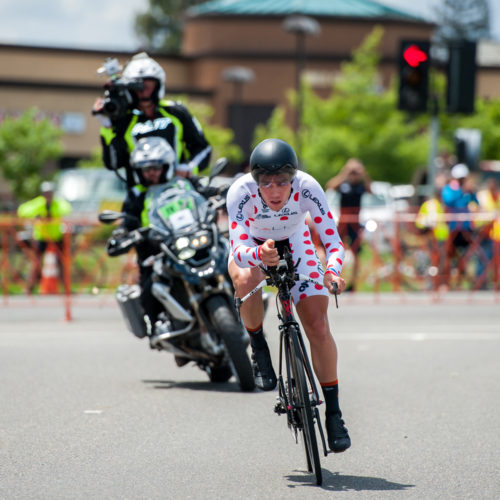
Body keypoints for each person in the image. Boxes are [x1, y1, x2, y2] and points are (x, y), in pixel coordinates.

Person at [226, 138, 351, 453]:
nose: (274, 190)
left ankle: (334, 413)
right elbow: (238, 251)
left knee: (319, 326)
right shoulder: (240, 193)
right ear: (255, 181)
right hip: (254, 247)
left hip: (294, 241)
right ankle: (258, 346)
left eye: (282, 181)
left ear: (293, 178)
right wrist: (258, 254)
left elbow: (334, 243)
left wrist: (332, 271)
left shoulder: (309, 187)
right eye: (265, 183)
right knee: (244, 279)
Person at [93, 52, 211, 187]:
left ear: (158, 85)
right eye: (138, 87)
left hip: (177, 191)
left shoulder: (176, 112)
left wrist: (189, 167)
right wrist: (107, 126)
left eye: (148, 87)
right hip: (139, 198)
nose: (143, 92)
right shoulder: (124, 120)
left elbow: (203, 148)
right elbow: (113, 163)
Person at [106, 136, 179, 332]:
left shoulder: (180, 185)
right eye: (146, 169)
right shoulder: (136, 194)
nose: (152, 173)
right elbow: (128, 221)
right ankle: (160, 327)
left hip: (184, 243)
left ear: (166, 166)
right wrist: (123, 234)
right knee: (148, 291)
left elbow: (200, 196)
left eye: (156, 167)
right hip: (153, 254)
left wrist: (219, 192)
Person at [17, 181, 72, 293]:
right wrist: (35, 215)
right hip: (42, 237)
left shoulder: (57, 203)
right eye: (46, 193)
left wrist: (53, 214)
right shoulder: (39, 203)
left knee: (62, 262)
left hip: (56, 237)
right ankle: (29, 287)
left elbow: (67, 209)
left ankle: (66, 288)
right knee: (37, 263)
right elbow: (22, 210)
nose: (48, 196)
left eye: (50, 193)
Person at [325, 158, 372, 292]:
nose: (353, 174)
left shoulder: (361, 185)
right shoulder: (343, 183)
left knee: (356, 252)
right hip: (343, 222)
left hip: (355, 223)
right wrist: (345, 172)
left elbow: (370, 190)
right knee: (335, 248)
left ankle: (353, 282)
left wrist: (363, 174)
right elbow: (330, 186)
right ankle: (333, 277)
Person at [441, 163, 479, 286]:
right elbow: (448, 200)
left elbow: (476, 203)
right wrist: (461, 190)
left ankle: (462, 281)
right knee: (449, 255)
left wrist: (471, 192)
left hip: (467, 228)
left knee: (467, 256)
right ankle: (446, 281)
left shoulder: (468, 191)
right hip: (453, 228)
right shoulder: (449, 189)